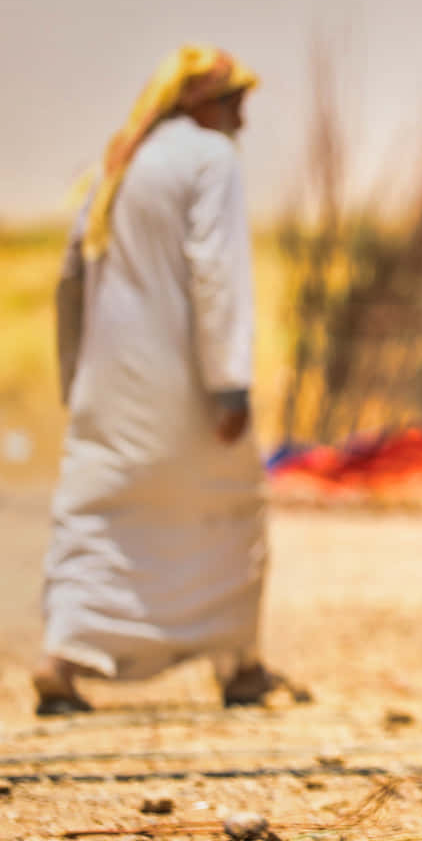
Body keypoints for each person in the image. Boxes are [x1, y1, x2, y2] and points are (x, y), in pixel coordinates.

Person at [34, 44, 293, 715]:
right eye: (234, 97)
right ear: (199, 101)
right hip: (186, 388)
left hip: (109, 385)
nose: (242, 113)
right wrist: (229, 380)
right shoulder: (210, 160)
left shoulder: (117, 163)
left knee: (98, 515)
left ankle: (61, 663)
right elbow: (217, 269)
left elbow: (70, 279)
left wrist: (76, 380)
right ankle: (240, 666)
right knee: (226, 509)